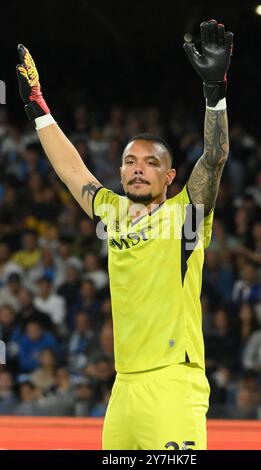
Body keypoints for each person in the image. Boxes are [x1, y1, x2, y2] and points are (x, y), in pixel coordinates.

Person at [16, 19, 233, 450]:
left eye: (150, 162)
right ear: (119, 171)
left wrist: (215, 95)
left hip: (173, 379)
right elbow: (71, 169)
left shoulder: (185, 215)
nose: (137, 167)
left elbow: (214, 158)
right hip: (123, 387)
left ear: (170, 175)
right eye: (130, 160)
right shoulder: (111, 212)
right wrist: (38, 108)